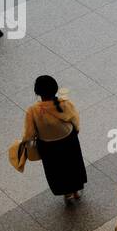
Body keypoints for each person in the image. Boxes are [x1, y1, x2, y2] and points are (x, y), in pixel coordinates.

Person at [22, 76, 86, 205]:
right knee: (73, 165)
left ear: (37, 92)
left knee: (57, 170)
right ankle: (76, 191)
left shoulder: (33, 111)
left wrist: (26, 145)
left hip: (48, 146)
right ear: (55, 89)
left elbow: (29, 133)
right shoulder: (65, 104)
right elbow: (75, 121)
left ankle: (67, 194)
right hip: (69, 141)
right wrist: (76, 131)